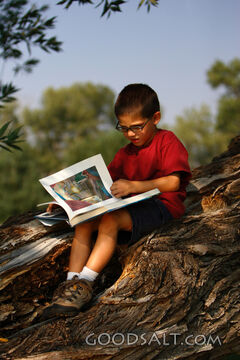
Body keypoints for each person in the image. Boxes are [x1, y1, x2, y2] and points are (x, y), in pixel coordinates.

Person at [42, 83, 191, 319]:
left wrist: (134, 186)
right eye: (123, 128)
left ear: (156, 118)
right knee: (84, 220)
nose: (131, 134)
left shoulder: (167, 141)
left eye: (137, 127)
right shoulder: (125, 153)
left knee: (110, 220)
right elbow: (101, 184)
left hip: (162, 206)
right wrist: (67, 201)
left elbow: (173, 182)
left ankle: (86, 283)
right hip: (131, 206)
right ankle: (70, 283)